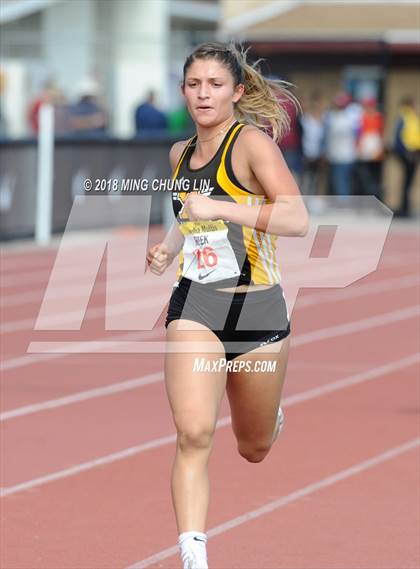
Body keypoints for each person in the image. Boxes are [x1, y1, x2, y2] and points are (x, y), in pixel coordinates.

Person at [147, 42, 309, 569]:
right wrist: (170, 246)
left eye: (214, 85)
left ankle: (268, 414)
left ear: (237, 92)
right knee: (193, 431)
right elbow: (188, 211)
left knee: (253, 446)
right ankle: (194, 554)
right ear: (183, 92)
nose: (203, 94)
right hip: (197, 303)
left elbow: (296, 219)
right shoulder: (178, 152)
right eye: (194, 85)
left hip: (258, 310)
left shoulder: (252, 146)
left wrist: (219, 206)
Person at [324, 91, 357, 200]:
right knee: (341, 182)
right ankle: (343, 202)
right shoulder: (348, 117)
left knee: (341, 182)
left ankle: (343, 203)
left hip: (342, 156)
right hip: (340, 155)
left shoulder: (341, 118)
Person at [393, 96, 420, 217]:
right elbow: (401, 139)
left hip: (412, 153)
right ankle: (404, 208)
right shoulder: (408, 117)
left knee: (407, 182)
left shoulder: (408, 117)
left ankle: (405, 207)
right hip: (410, 153)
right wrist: (407, 153)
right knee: (407, 182)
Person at [355, 97, 384, 200]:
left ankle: (375, 199)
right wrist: (359, 147)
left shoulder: (378, 118)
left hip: (376, 154)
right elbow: (359, 134)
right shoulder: (362, 118)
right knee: (365, 179)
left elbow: (380, 135)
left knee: (375, 179)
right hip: (364, 154)